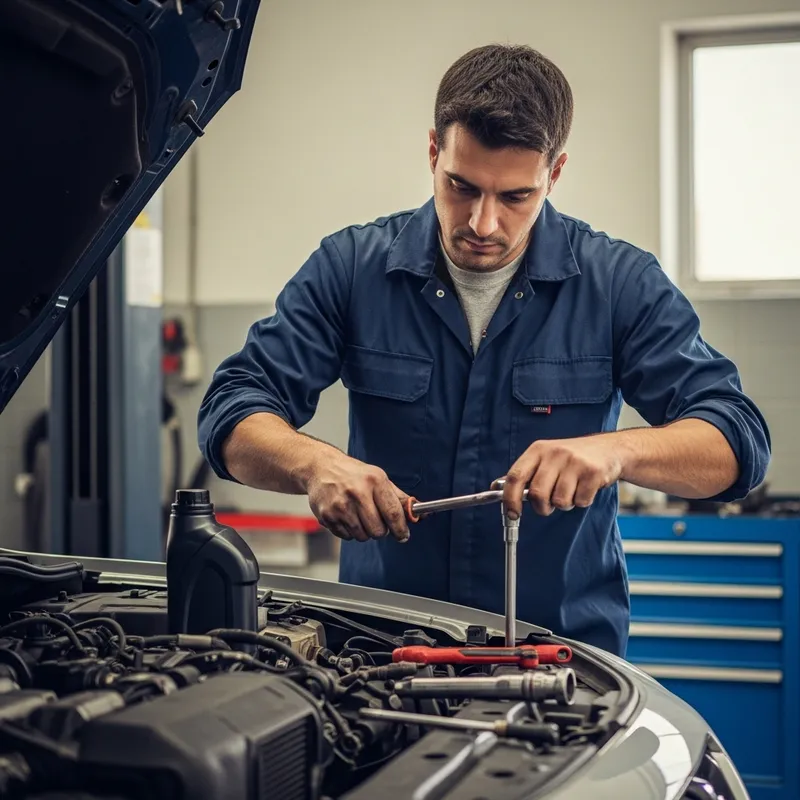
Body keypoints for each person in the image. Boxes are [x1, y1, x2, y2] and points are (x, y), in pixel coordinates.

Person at [196, 43, 770, 657]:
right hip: (381, 657)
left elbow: (737, 443)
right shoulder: (352, 268)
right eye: (461, 186)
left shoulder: (618, 283)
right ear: (433, 151)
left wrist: (616, 451)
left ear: (555, 173)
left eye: (516, 197)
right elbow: (231, 412)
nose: (483, 223)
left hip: (563, 663)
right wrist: (315, 465)